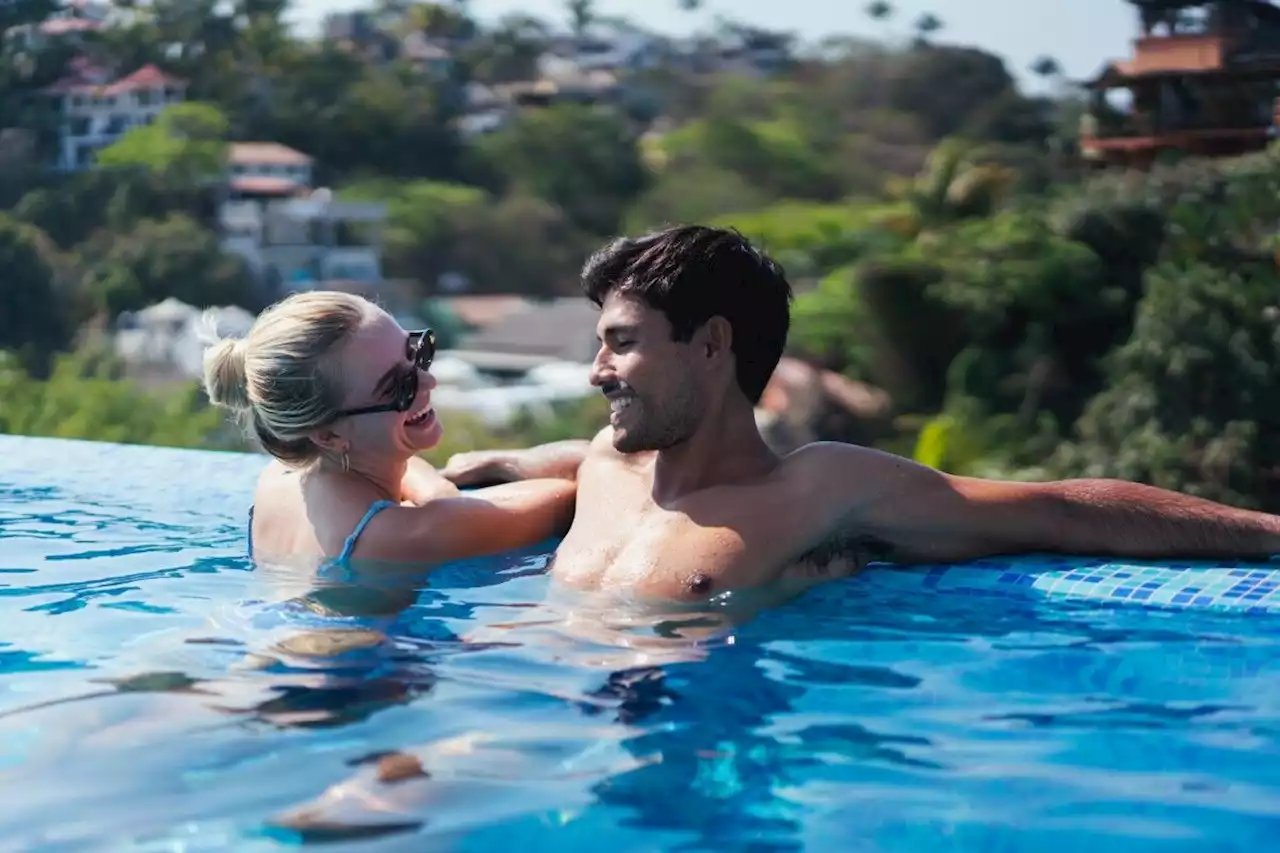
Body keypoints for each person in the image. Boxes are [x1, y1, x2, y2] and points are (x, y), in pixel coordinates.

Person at [441, 224, 1280, 602]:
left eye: (621, 343)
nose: (596, 371)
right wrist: (459, 467)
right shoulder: (601, 461)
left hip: (694, 754)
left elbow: (1061, 509)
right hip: (544, 729)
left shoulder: (824, 488)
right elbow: (535, 457)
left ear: (710, 343)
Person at [202, 290, 576, 567]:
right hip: (365, 670)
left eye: (417, 352)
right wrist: (448, 493)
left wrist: (433, 493)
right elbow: (573, 493)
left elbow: (395, 466)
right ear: (328, 435)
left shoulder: (280, 478)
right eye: (399, 387)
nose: (429, 382)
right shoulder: (400, 535)